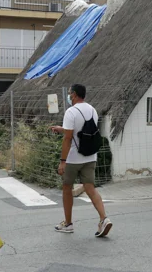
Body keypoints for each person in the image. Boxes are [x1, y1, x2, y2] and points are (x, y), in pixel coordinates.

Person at [50, 84, 113, 237]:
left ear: (75, 95)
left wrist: (63, 161)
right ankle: (104, 219)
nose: (69, 95)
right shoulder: (92, 110)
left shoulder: (71, 112)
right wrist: (62, 128)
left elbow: (68, 138)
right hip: (90, 156)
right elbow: (81, 130)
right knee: (90, 188)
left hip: (73, 158)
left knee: (67, 188)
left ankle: (68, 223)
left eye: (70, 93)